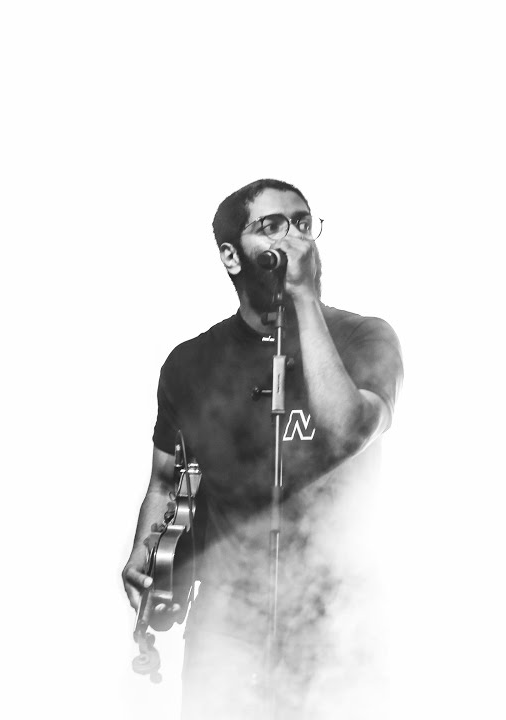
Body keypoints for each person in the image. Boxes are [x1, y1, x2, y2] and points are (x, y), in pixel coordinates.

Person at [121, 179, 403, 719]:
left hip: (336, 619)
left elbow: (347, 432)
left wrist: (303, 298)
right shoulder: (190, 364)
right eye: (271, 226)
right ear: (231, 256)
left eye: (303, 223)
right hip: (226, 622)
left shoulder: (366, 340)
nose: (295, 238)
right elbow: (165, 479)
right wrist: (145, 552)